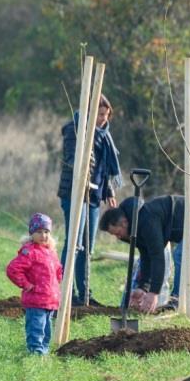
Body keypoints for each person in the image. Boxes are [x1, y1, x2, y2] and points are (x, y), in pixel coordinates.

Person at [56, 95, 122, 306]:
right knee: (74, 243)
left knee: (88, 246)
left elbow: (103, 169)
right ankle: (65, 292)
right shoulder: (74, 130)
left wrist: (109, 190)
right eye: (100, 114)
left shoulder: (104, 135)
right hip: (74, 193)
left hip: (94, 195)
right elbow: (71, 160)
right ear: (90, 112)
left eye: (106, 114)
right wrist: (83, 172)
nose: (103, 118)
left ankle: (84, 295)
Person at [99, 195, 190, 310]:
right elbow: (146, 257)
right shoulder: (135, 228)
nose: (118, 237)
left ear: (124, 222)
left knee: (181, 255)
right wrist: (143, 287)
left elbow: (157, 257)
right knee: (189, 257)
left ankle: (177, 301)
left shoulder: (147, 221)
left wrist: (154, 293)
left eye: (117, 233)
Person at [6, 213, 63, 355]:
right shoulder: (29, 252)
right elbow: (13, 269)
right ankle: (35, 352)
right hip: (36, 300)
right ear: (32, 233)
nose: (43, 235)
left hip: (50, 300)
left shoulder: (51, 252)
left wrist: (60, 278)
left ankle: (44, 350)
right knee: (36, 327)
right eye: (39, 232)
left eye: (46, 232)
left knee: (46, 329)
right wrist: (26, 284)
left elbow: (57, 270)